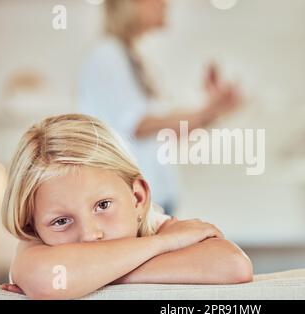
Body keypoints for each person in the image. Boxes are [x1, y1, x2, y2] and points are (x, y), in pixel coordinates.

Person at [0, 114, 252, 299]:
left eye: (103, 205)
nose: (89, 234)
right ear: (33, 227)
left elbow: (233, 265)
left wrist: (88, 274)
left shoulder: (160, 225)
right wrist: (161, 245)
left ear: (138, 198)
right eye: (61, 221)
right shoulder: (35, 246)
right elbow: (49, 280)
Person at [78, 0, 241, 215]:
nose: (166, 4)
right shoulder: (107, 55)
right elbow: (137, 124)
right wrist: (208, 111)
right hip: (134, 201)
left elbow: (162, 134)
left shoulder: (132, 57)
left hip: (155, 198)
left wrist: (213, 111)